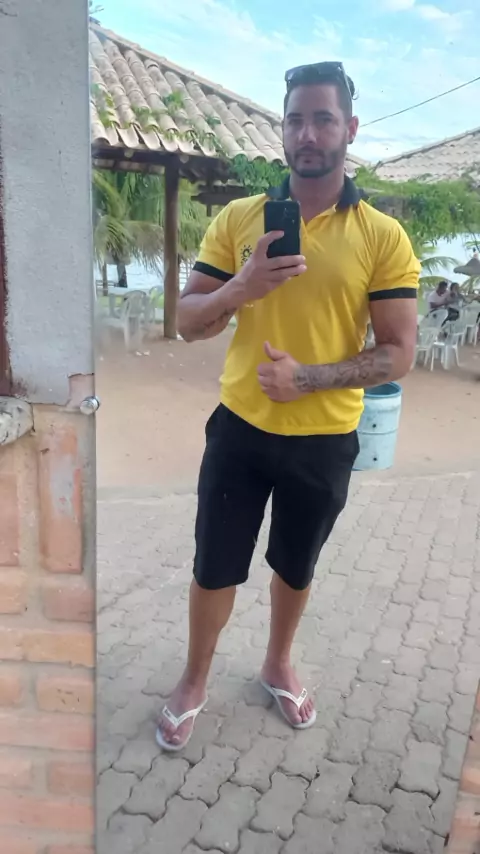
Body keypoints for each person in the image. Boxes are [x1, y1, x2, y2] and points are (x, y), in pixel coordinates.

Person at [156, 61, 420, 751]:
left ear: (349, 129)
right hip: (239, 430)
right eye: (295, 119)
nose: (307, 133)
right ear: (282, 129)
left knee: (296, 565)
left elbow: (398, 353)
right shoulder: (239, 218)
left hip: (325, 438)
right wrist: (239, 288)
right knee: (214, 564)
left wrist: (309, 379)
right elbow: (188, 322)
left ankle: (277, 663)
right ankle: (194, 678)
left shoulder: (382, 235)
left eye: (322, 119)